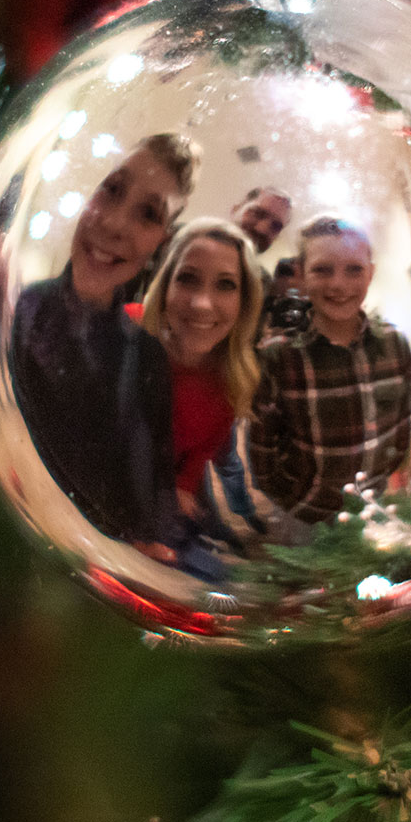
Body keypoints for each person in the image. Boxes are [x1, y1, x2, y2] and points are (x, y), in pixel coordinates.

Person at [9, 134, 197, 543]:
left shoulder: (147, 358)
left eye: (148, 214)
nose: (113, 224)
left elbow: (154, 477)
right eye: (111, 190)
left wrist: (152, 538)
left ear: (160, 243)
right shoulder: (24, 308)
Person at [245, 215, 411, 524]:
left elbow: (402, 423)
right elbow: (262, 452)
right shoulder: (277, 356)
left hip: (373, 510)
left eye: (354, 270)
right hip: (303, 514)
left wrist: (387, 479)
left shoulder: (395, 344)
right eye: (322, 270)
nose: (339, 284)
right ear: (299, 274)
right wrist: (293, 502)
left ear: (371, 274)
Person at [134, 217, 275, 578]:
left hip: (159, 506)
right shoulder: (125, 337)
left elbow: (203, 450)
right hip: (108, 509)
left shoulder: (232, 381)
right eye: (187, 279)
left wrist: (181, 487)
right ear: (165, 286)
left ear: (245, 303)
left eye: (226, 285)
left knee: (225, 582)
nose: (201, 303)